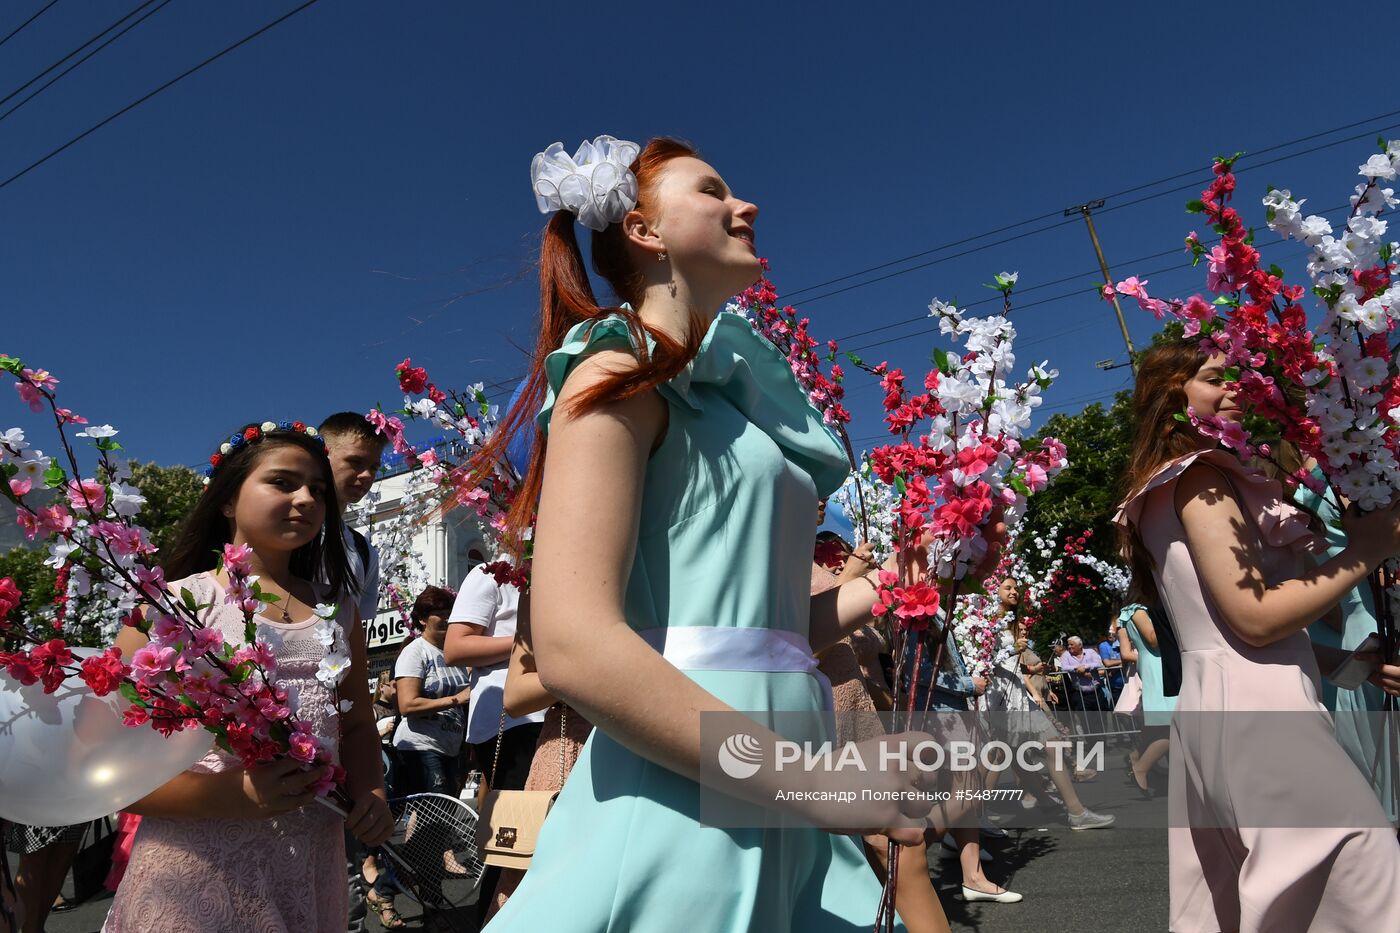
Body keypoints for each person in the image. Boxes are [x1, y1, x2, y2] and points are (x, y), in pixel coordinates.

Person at [474, 135, 1004, 930]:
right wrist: (813, 784)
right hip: (687, 782)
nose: (745, 205)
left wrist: (902, 575)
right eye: (712, 190)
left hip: (788, 775)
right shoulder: (614, 368)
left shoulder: (732, 402)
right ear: (644, 232)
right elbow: (574, 645)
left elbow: (769, 631)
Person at [1116, 341, 1400, 932]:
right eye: (1215, 378)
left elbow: (1227, 636)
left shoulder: (1181, 484)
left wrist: (1348, 664)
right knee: (1363, 884)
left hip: (1220, 716)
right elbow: (1256, 618)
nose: (1235, 391)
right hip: (1262, 723)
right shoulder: (1201, 482)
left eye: (1238, 379)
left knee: (1253, 903)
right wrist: (1371, 550)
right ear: (1171, 394)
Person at [104, 422, 393, 932]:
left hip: (306, 864)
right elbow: (106, 768)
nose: (306, 498)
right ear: (227, 502)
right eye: (283, 482)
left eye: (318, 490)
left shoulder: (338, 612)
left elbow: (357, 726)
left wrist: (371, 790)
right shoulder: (165, 609)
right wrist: (231, 795)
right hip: (192, 874)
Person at [318, 412, 388, 627]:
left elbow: (355, 631)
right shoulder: (284, 532)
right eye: (355, 462)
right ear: (321, 456)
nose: (367, 475)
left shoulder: (363, 551)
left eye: (374, 467)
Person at [1116, 602, 1172, 797]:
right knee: (1174, 726)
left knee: (1164, 724)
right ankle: (1141, 766)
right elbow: (1153, 639)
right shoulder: (1137, 610)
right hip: (1158, 665)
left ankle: (1139, 757)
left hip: (1152, 664)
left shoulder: (1124, 616)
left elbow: (1126, 652)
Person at [1057, 636, 1111, 712]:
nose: (1069, 647)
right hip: (1080, 694)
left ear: (1079, 645)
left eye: (1072, 644)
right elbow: (1064, 667)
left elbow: (1098, 663)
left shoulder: (1090, 652)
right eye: (1068, 645)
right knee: (1086, 719)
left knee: (1102, 716)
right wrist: (1078, 669)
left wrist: (1085, 667)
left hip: (1097, 692)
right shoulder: (1066, 655)